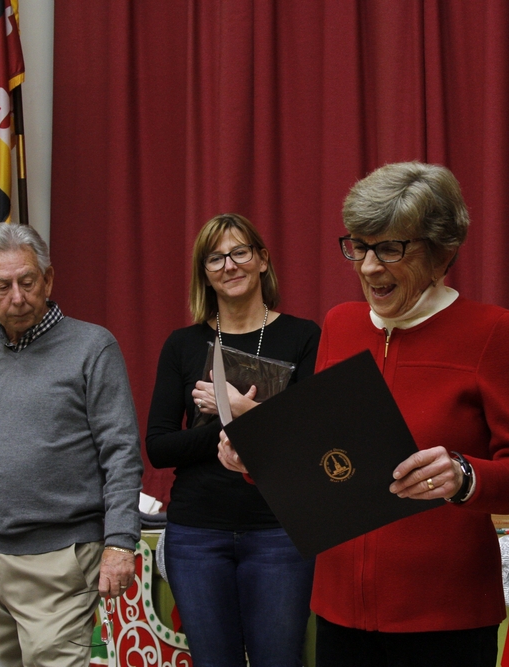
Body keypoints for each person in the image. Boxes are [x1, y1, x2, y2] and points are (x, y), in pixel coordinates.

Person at [219, 162, 509, 666]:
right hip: (339, 612)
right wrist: (258, 457)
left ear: (442, 252)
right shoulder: (341, 324)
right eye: (359, 245)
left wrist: (462, 475)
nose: (369, 267)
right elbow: (324, 462)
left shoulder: (490, 331)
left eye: (390, 248)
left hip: (445, 616)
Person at [0, 223, 144, 667]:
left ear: (48, 280)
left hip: (60, 561)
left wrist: (119, 543)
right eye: (2, 285)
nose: (17, 296)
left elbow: (121, 452)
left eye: (28, 281)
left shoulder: (93, 347)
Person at [147, 213, 320, 667]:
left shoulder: (304, 337)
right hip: (196, 533)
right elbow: (160, 447)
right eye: (215, 258)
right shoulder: (182, 345)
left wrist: (240, 411)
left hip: (279, 530)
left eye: (240, 252)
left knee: (280, 660)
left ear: (262, 259)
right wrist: (230, 426)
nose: (229, 265)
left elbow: (313, 442)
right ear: (204, 273)